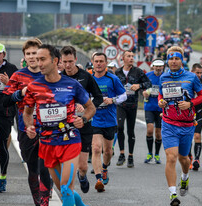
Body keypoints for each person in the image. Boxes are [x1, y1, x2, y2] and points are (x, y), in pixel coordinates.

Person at [23, 44, 98, 206]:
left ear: (55, 61)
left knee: (66, 188)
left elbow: (91, 108)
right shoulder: (34, 87)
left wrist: (83, 119)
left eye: (42, 60)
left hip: (70, 141)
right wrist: (30, 128)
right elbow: (28, 113)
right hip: (47, 144)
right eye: (37, 60)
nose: (39, 63)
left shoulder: (72, 85)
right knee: (63, 190)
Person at [3, 38, 52, 206]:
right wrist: (20, 93)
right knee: (33, 170)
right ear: (25, 56)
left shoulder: (50, 74)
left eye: (35, 54)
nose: (32, 57)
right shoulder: (18, 76)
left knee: (44, 168)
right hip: (27, 128)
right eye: (29, 54)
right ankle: (37, 205)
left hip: (49, 129)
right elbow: (5, 101)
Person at [158, 46, 202, 206]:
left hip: (186, 125)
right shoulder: (163, 77)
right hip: (169, 123)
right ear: (167, 60)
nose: (173, 61)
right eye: (170, 58)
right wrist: (160, 101)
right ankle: (172, 193)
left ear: (182, 60)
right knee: (171, 157)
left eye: (176, 58)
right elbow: (160, 94)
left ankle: (185, 177)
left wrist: (189, 103)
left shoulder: (191, 77)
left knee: (183, 159)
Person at [60, 45, 103, 193]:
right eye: (65, 62)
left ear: (75, 59)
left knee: (83, 166)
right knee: (65, 162)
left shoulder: (86, 76)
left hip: (83, 123)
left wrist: (86, 109)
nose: (68, 65)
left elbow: (98, 97)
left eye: (70, 61)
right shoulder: (58, 77)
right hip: (64, 125)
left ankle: (82, 176)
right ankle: (66, 187)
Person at [91, 52, 126, 192]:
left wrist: (113, 100)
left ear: (105, 63)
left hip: (110, 119)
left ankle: (104, 167)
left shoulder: (113, 79)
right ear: (93, 63)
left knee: (108, 152)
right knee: (96, 148)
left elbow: (123, 96)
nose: (98, 64)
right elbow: (82, 95)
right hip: (94, 119)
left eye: (101, 61)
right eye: (96, 61)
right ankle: (99, 178)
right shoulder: (89, 79)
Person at [115, 50, 152, 167]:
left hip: (132, 105)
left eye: (132, 56)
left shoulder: (138, 72)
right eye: (129, 56)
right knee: (119, 127)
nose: (131, 58)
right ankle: (121, 154)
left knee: (130, 130)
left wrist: (139, 86)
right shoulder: (117, 72)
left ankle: (130, 156)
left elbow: (148, 83)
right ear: (123, 58)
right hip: (120, 104)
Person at [0, 42, 17, 192]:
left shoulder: (12, 69)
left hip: (4, 111)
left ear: (3, 55)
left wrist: (8, 83)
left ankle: (3, 177)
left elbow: (19, 91)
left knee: (2, 146)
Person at [143, 59, 164, 164]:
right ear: (153, 66)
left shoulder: (165, 77)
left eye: (160, 67)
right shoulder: (148, 75)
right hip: (149, 107)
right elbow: (142, 87)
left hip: (161, 108)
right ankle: (149, 153)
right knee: (150, 130)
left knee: (158, 133)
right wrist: (144, 93)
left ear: (163, 67)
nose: (158, 68)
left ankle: (156, 154)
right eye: (156, 66)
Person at [189, 63, 202, 171]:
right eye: (197, 72)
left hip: (200, 111)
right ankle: (189, 157)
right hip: (188, 112)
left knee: (197, 135)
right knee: (187, 136)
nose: (199, 75)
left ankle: (196, 159)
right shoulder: (187, 81)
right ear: (192, 72)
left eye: (201, 73)